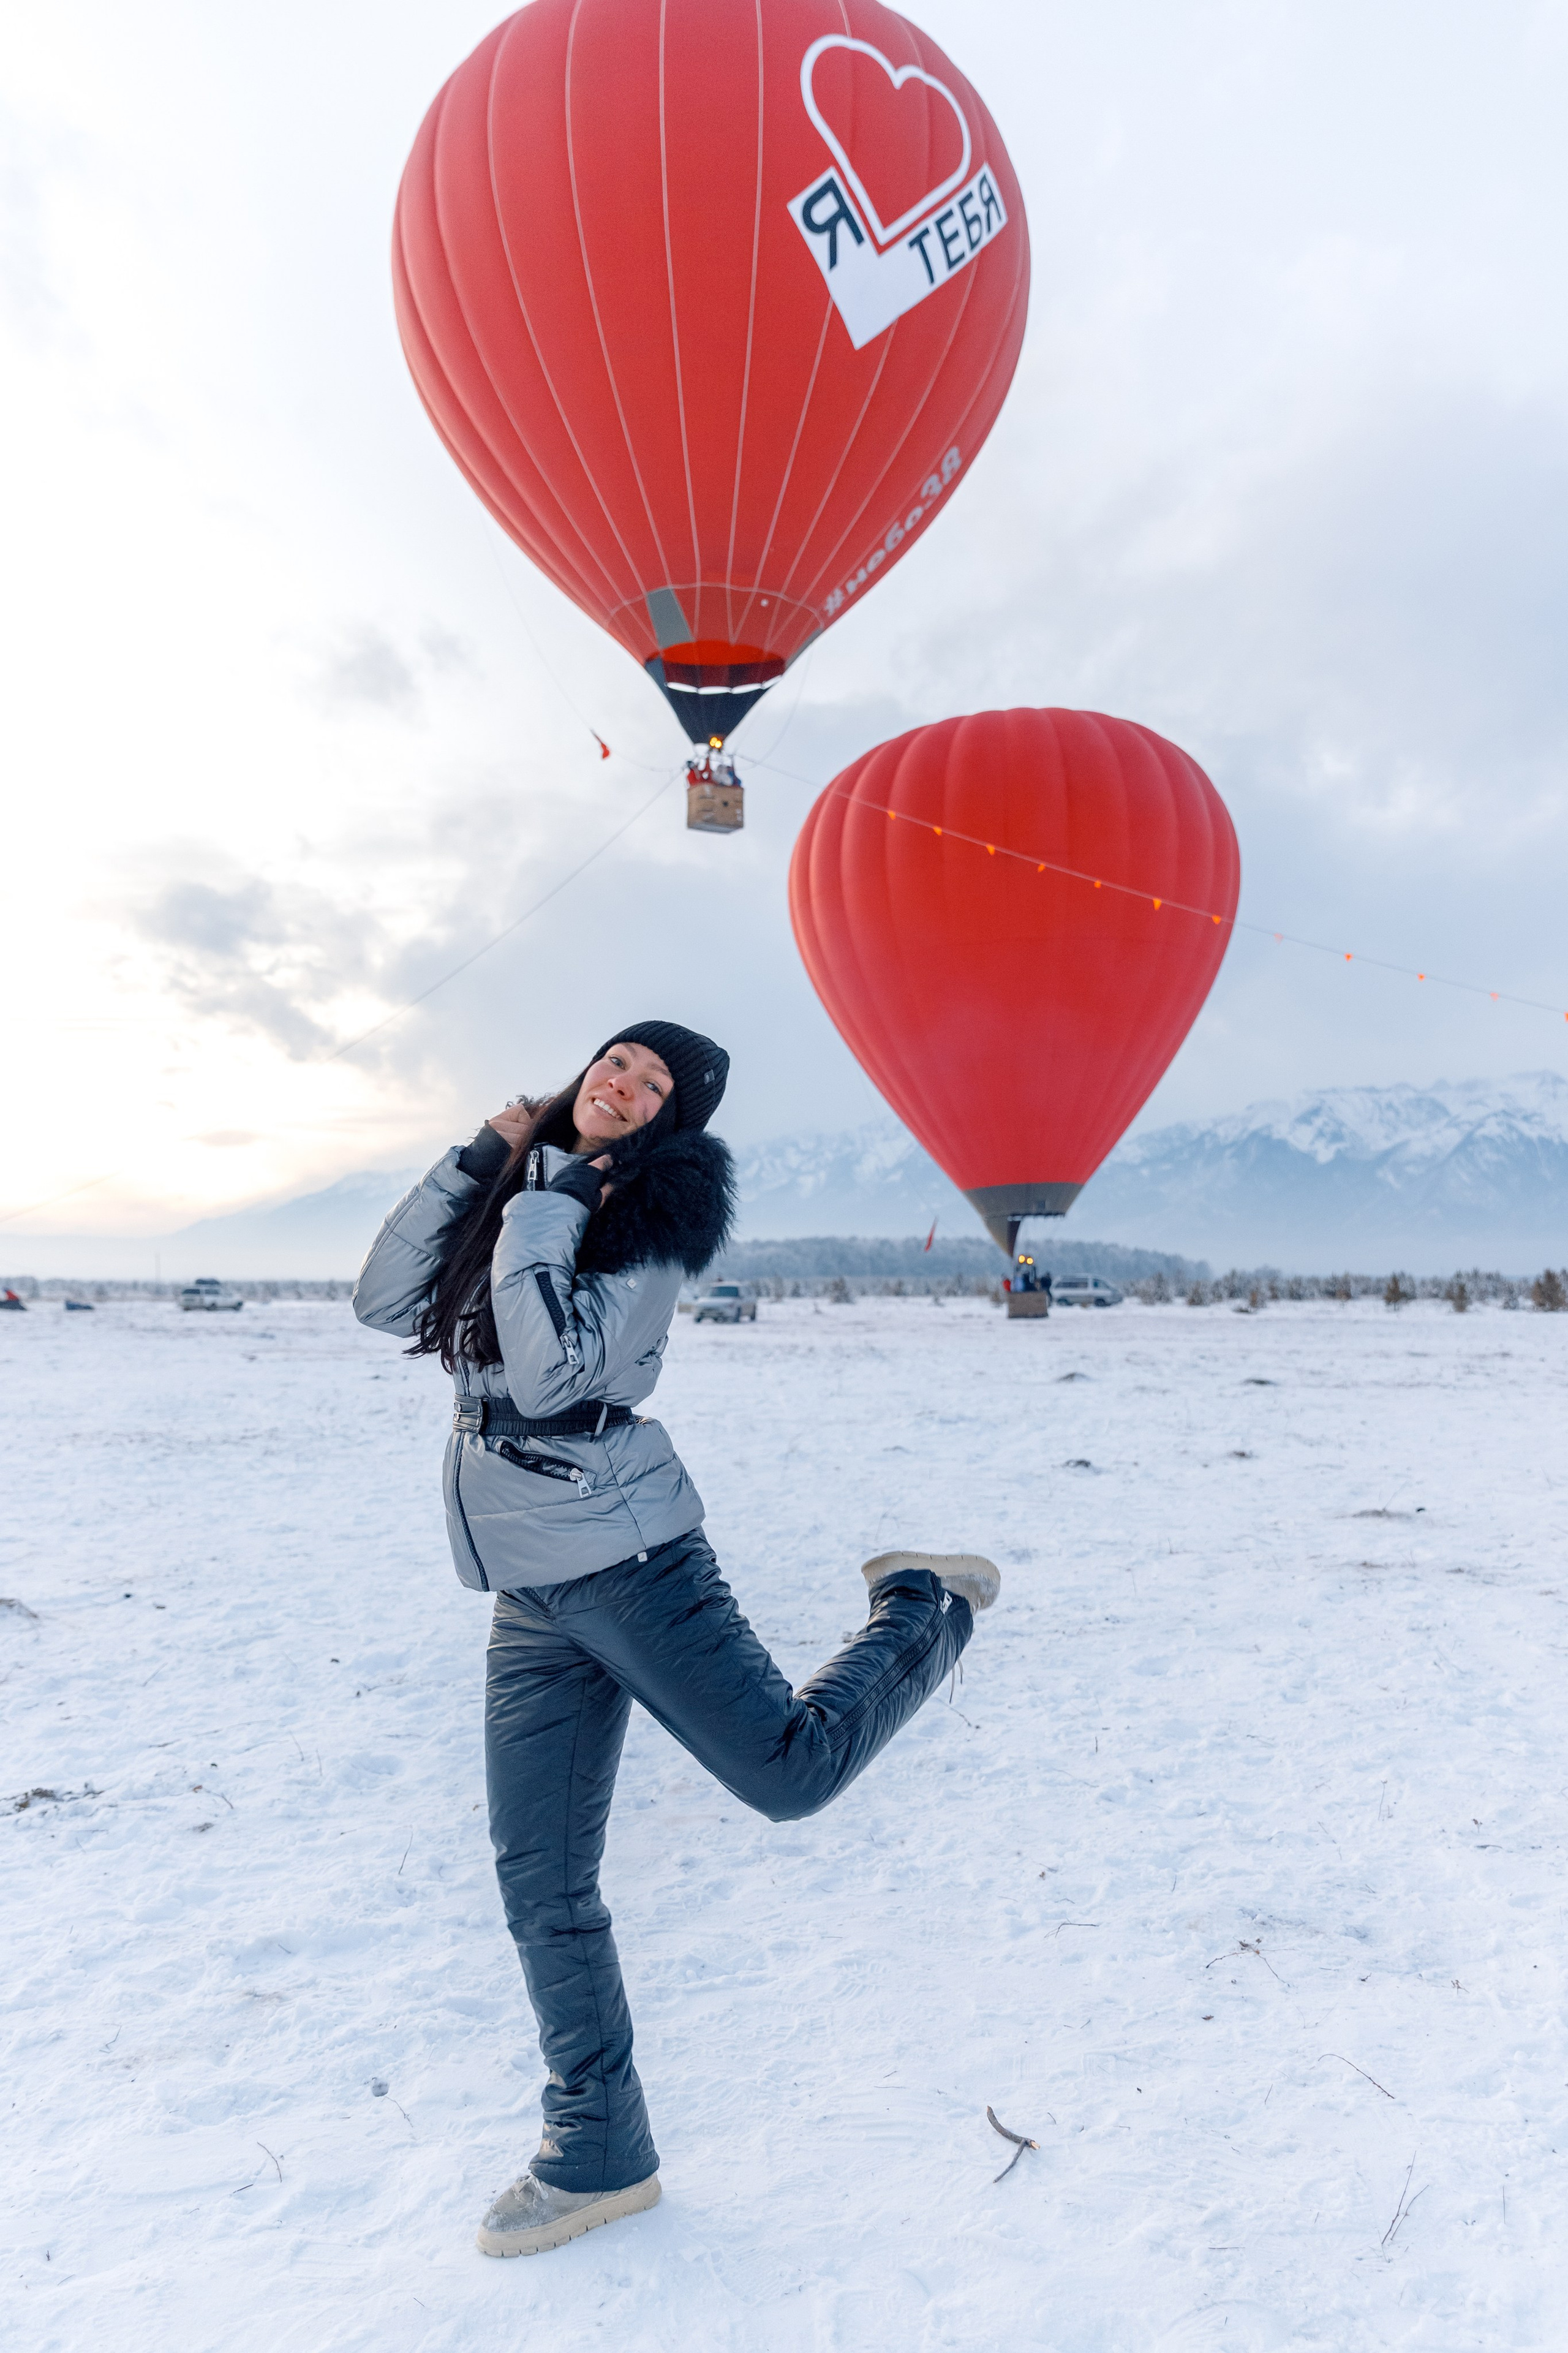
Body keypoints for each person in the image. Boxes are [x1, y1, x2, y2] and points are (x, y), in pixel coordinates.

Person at [353, 1022, 999, 2259]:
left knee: (787, 1775)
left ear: (667, 1127)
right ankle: (597, 2150)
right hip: (530, 1593)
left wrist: (545, 1201)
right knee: (541, 1884)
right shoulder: (521, 1188)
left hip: (632, 1563)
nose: (625, 1083)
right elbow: (385, 1299)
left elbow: (547, 1381)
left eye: (656, 1087)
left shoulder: (641, 1221)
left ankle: (923, 1605)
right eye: (616, 1059)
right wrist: (477, 1163)